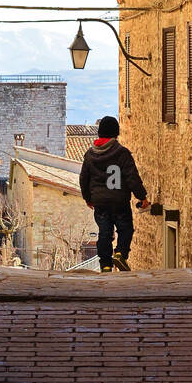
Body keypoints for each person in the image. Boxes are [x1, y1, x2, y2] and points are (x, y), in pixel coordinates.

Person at [79, 116, 150, 271]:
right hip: (119, 202)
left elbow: (84, 179)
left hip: (100, 203)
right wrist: (142, 196)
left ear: (99, 133)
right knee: (126, 229)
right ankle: (120, 254)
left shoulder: (90, 155)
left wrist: (88, 198)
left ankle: (105, 264)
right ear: (116, 133)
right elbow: (132, 177)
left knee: (104, 232)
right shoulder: (122, 153)